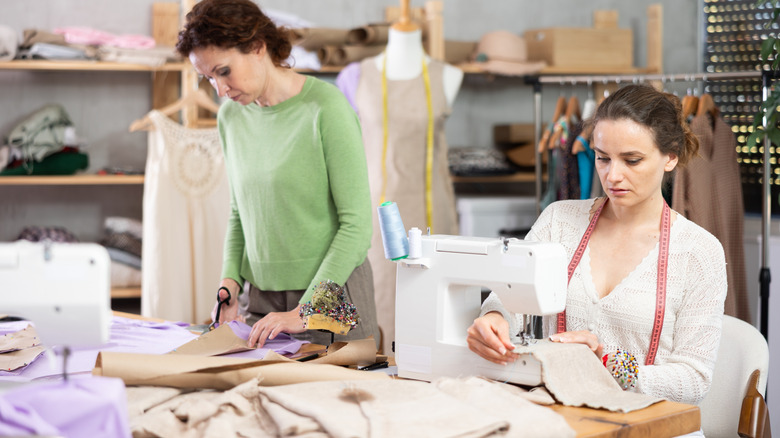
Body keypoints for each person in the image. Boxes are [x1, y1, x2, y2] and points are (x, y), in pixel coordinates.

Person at [467, 84, 727, 410]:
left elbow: (694, 380)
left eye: (632, 160)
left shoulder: (699, 253)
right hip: (566, 413)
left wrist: (607, 362)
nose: (612, 175)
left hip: (650, 424)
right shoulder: (558, 222)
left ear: (670, 158)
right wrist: (495, 318)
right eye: (602, 158)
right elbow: (509, 298)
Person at [175, 0, 380, 349]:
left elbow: (357, 228)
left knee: (338, 397)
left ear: (257, 47)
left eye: (224, 71)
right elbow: (241, 211)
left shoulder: (326, 109)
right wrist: (230, 283)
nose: (219, 90)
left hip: (334, 293)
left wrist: (307, 310)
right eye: (208, 78)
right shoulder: (231, 117)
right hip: (261, 301)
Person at [335, 10, 463, 356]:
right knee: (380, 301)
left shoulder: (447, 75)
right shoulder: (354, 77)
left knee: (437, 306)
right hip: (375, 217)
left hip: (432, 210)